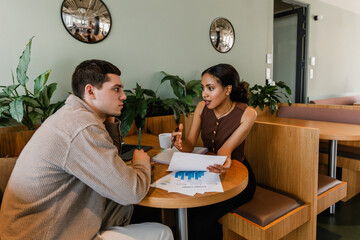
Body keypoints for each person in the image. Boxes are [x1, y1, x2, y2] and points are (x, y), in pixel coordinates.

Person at [0, 60, 173, 240]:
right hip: (41, 234)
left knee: (121, 206)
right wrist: (141, 163)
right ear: (90, 91)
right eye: (116, 89)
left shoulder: (73, 115)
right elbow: (132, 192)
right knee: (162, 232)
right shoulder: (82, 126)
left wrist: (109, 121)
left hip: (38, 225)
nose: (124, 96)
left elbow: (110, 164)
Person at [172, 63, 257, 240]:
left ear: (227, 90)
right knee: (187, 214)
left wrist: (223, 162)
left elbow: (225, 149)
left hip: (238, 176)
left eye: (210, 88)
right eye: (203, 88)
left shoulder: (247, 113)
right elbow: (190, 143)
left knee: (200, 221)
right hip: (211, 171)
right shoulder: (202, 108)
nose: (204, 94)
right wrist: (179, 143)